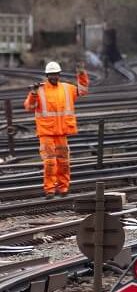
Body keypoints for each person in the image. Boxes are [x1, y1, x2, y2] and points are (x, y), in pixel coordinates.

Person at [24, 61, 89, 198]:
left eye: (56, 74)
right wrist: (33, 94)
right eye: (51, 75)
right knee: (50, 162)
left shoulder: (67, 88)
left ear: (59, 75)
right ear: (47, 75)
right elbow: (29, 107)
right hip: (46, 133)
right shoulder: (39, 90)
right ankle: (50, 190)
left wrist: (81, 74)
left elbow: (83, 90)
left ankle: (63, 188)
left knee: (63, 162)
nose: (54, 77)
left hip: (61, 134)